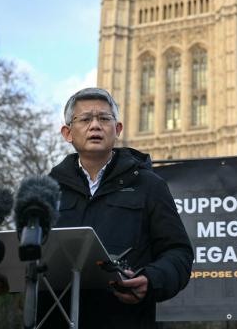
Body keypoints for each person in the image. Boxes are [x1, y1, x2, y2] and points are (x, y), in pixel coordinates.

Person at [40, 87, 193, 329]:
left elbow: (179, 253)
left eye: (103, 118)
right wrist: (6, 279)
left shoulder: (149, 185)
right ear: (68, 133)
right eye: (85, 119)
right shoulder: (45, 191)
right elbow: (29, 257)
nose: (95, 125)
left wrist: (151, 280)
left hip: (126, 319)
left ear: (117, 129)